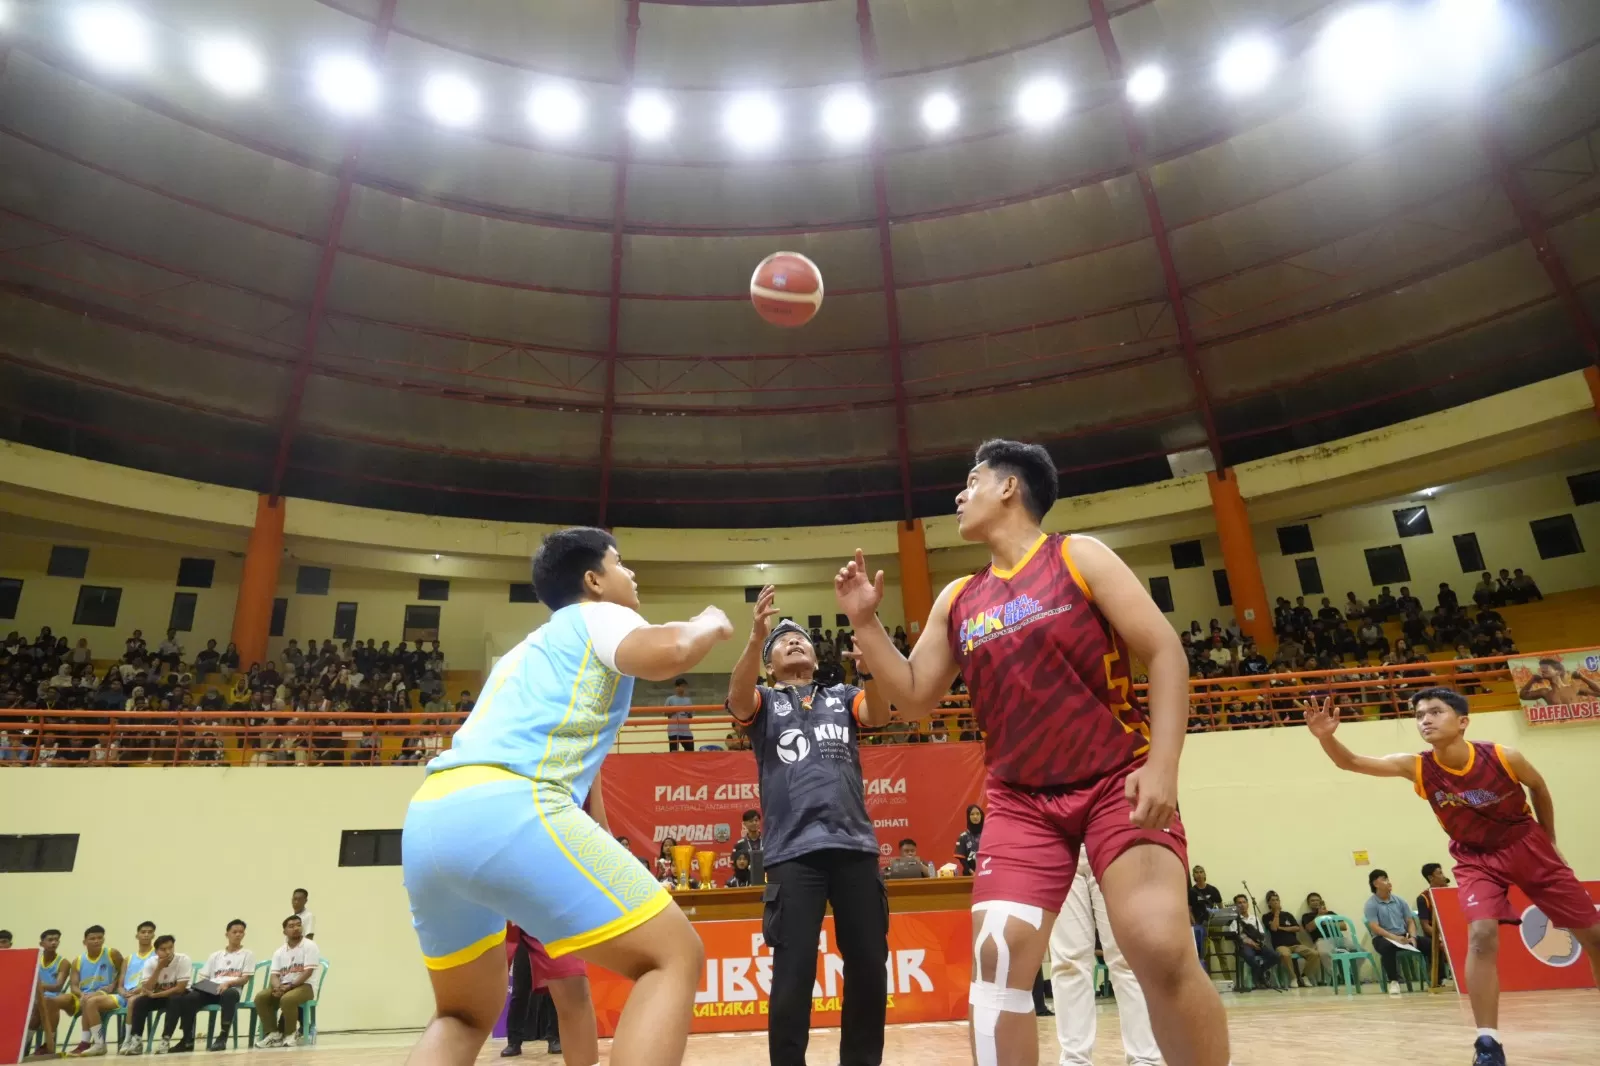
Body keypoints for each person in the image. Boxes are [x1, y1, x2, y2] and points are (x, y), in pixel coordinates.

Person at [836, 439, 1229, 1066]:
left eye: (971, 481)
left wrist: (1163, 765)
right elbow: (911, 696)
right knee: (996, 959)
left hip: (1118, 779)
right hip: (1021, 801)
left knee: (1158, 946)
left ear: (1009, 487)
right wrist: (865, 621)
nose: (959, 495)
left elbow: (1165, 652)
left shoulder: (1079, 557)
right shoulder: (958, 598)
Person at [401, 527, 732, 1066]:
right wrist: (709, 622)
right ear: (593, 580)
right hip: (511, 808)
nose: (631, 574)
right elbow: (671, 650)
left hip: (430, 820)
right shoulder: (596, 615)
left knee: (461, 1015)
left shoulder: (523, 654)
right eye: (620, 563)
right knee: (673, 954)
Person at [1305, 686, 1600, 1066]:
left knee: (1595, 936)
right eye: (1419, 715)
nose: (1425, 720)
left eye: (1435, 712)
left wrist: (1550, 839)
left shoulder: (1503, 756)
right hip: (1476, 857)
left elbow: (1538, 787)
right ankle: (1488, 1043)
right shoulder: (1417, 766)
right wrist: (1326, 738)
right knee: (1481, 935)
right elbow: (1352, 762)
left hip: (1528, 846)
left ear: (1462, 722)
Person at [725, 590, 890, 1066]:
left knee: (868, 965)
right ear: (770, 665)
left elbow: (878, 715)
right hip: (793, 853)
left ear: (816, 658)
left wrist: (871, 673)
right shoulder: (765, 702)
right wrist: (755, 635)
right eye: (782, 641)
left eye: (800, 639)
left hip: (854, 847)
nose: (794, 642)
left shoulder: (844, 696)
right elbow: (737, 699)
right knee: (793, 971)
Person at [1050, 845, 1161, 1066]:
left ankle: (1144, 1058)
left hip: (1112, 841)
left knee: (1128, 959)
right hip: (1058, 844)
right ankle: (1074, 1059)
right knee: (1067, 962)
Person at [502, 925, 593, 1066]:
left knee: (555, 988)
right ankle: (513, 1042)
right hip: (523, 931)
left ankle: (554, 1038)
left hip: (547, 933)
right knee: (520, 991)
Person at [170, 919, 254, 1051]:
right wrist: (205, 986)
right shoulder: (215, 955)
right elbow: (204, 977)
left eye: (241, 932)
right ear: (227, 934)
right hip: (212, 989)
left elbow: (245, 978)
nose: (238, 934)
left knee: (229, 994)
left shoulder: (247, 954)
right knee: (189, 998)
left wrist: (228, 983)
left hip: (231, 989)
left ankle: (222, 1037)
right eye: (234, 932)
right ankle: (187, 1039)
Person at [125, 935, 192, 1056]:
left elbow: (180, 988)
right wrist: (159, 968)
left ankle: (165, 1040)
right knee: (139, 1002)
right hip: (158, 995)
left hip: (179, 995)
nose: (168, 952)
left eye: (170, 948)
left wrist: (157, 995)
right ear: (156, 951)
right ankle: (136, 1040)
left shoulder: (183, 959)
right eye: (163, 949)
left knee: (174, 1000)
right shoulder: (150, 962)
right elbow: (147, 988)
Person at [63, 925, 124, 1057]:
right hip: (85, 995)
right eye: (92, 938)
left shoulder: (112, 953)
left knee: (90, 1001)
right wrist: (81, 994)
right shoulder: (78, 960)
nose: (96, 941)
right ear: (84, 942)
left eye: (99, 938)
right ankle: (86, 1043)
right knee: (86, 1000)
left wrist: (114, 984)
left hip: (109, 994)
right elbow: (74, 986)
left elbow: (124, 971)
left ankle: (97, 1044)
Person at [1362, 869, 1423, 995]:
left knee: (1429, 943)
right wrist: (1394, 938)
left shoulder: (1400, 900)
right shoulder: (1371, 904)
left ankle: (1439, 979)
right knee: (1387, 947)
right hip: (1383, 937)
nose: (1388, 882)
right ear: (1375, 884)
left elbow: (1410, 921)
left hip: (1403, 936)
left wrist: (1412, 936)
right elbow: (1375, 927)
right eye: (1384, 879)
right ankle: (1394, 981)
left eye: (1388, 879)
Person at [1261, 891, 1322, 988]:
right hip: (1281, 945)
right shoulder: (1266, 917)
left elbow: (1297, 928)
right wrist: (1276, 913)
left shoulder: (1287, 915)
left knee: (1314, 954)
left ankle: (1305, 976)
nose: (1276, 902)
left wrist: (1282, 928)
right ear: (1269, 903)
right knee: (1285, 954)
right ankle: (1293, 978)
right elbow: (1274, 928)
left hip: (1295, 944)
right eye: (1273, 900)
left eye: (1277, 900)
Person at [28, 929, 73, 1059]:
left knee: (46, 1002)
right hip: (34, 998)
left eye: (56, 940)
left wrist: (39, 986)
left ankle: (41, 1043)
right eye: (50, 940)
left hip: (52, 997)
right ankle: (28, 1043)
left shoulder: (63, 962)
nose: (54, 942)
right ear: (41, 943)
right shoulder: (34, 960)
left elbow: (57, 986)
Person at [1228, 896, 1278, 991]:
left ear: (1248, 904)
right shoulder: (1233, 919)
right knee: (1249, 956)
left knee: (1275, 956)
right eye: (1239, 903)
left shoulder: (1254, 918)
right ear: (1235, 905)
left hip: (1257, 944)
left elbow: (1262, 933)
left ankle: (1260, 971)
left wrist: (1259, 943)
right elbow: (1235, 936)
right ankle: (1261, 976)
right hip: (1244, 945)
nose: (1242, 905)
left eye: (1244, 902)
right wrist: (1250, 942)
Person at [1416, 864, 1454, 985]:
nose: (1443, 876)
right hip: (1434, 934)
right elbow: (1425, 925)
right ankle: (1441, 978)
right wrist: (1440, 936)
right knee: (1439, 944)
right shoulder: (1423, 898)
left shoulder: (1450, 893)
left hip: (1452, 931)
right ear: (1430, 877)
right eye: (1440, 873)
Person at [1187, 866, 1223, 963]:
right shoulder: (1191, 892)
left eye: (1201, 872)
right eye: (1196, 872)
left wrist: (1219, 921)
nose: (1199, 874)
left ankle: (1227, 972)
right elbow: (1189, 910)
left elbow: (1221, 908)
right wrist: (1195, 923)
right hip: (1200, 925)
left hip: (1214, 924)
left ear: (1204, 874)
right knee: (1204, 954)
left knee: (1221, 952)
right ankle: (1206, 973)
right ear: (1193, 875)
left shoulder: (1213, 890)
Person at [663, 678, 695, 752]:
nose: (683, 688)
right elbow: (665, 714)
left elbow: (691, 716)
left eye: (685, 686)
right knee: (674, 753)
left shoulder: (688, 700)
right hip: (673, 731)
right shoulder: (670, 699)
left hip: (686, 730)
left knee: (690, 752)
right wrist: (674, 711)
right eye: (682, 686)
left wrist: (688, 713)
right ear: (677, 687)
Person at [955, 804, 985, 876]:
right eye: (972, 814)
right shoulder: (963, 837)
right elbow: (962, 860)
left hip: (987, 874)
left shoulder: (988, 835)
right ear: (968, 816)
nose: (975, 817)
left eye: (977, 814)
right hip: (969, 876)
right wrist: (972, 872)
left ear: (981, 816)